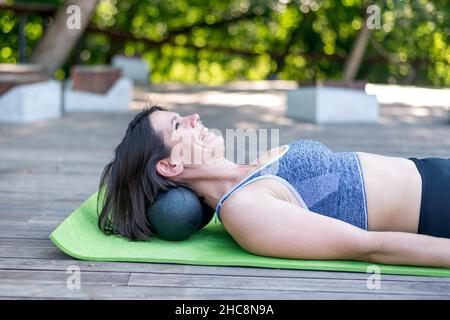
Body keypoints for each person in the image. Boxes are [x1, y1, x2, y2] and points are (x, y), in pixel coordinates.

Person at [98, 105, 450, 268]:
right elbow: (366, 246)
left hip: (432, 170)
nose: (195, 118)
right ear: (169, 165)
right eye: (179, 125)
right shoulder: (243, 210)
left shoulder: (253, 168)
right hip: (437, 207)